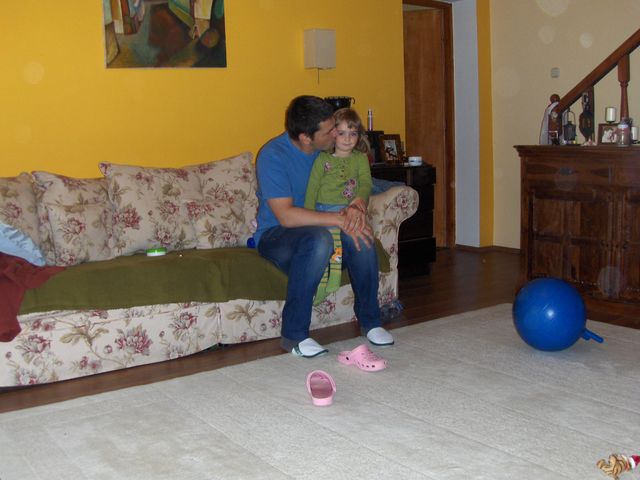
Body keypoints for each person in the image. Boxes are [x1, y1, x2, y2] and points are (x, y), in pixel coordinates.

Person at [254, 95, 394, 358]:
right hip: (277, 235)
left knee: (359, 233)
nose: (336, 133)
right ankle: (294, 335)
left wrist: (357, 207)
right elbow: (286, 217)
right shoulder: (273, 156)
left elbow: (361, 181)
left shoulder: (330, 152)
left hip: (323, 226)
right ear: (306, 138)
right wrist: (339, 220)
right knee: (319, 239)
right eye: (330, 131)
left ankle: (371, 322)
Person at [304, 108, 372, 305]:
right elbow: (312, 188)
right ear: (333, 134)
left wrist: (359, 200)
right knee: (329, 242)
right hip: (323, 210)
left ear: (359, 136)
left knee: (353, 237)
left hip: (348, 209)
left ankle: (332, 279)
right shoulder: (322, 159)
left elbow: (366, 183)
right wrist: (309, 216)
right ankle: (323, 283)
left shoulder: (360, 158)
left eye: (353, 133)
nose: (347, 139)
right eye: (342, 133)